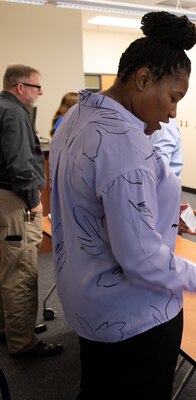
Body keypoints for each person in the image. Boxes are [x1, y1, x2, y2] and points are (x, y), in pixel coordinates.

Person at [49, 11, 196, 399]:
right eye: (174, 97)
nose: (174, 112)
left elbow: (88, 195)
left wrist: (159, 210)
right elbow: (140, 257)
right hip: (134, 314)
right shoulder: (127, 143)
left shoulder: (77, 115)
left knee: (97, 388)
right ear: (143, 79)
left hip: (87, 299)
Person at [0, 64, 64, 358]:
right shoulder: (13, 113)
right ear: (21, 87)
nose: (42, 92)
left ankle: (11, 329)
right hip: (15, 202)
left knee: (7, 267)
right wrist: (33, 200)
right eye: (37, 87)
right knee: (21, 271)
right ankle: (23, 343)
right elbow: (20, 164)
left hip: (5, 201)